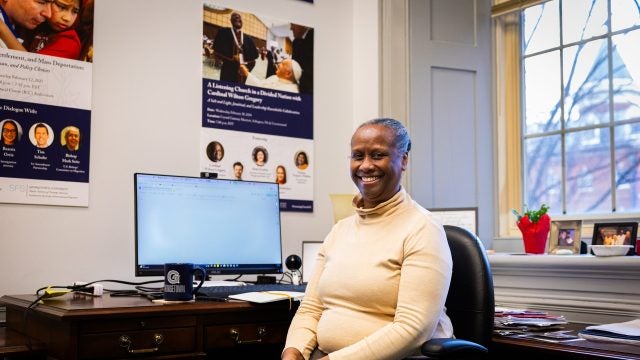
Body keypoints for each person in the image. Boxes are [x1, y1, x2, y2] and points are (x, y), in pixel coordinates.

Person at [282, 118, 452, 360]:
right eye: (358, 156)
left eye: (377, 155)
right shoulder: (340, 231)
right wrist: (294, 351)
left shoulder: (423, 229)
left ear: (403, 160)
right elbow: (311, 308)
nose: (366, 165)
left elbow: (413, 329)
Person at [0, 0, 82, 60]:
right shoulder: (33, 26)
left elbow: (33, 69)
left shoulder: (69, 41)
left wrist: (2, 28)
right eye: (41, 2)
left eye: (75, 11)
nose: (67, 18)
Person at [213, 12, 258, 83]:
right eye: (235, 17)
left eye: (239, 17)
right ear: (231, 20)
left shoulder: (248, 38)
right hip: (228, 69)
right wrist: (232, 57)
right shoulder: (223, 32)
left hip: (242, 71)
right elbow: (217, 47)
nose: (237, 18)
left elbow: (254, 57)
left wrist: (246, 66)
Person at [290, 23, 313, 94]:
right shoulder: (302, 41)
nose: (291, 28)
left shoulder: (311, 38)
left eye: (292, 24)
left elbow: (296, 69)